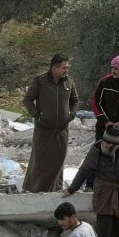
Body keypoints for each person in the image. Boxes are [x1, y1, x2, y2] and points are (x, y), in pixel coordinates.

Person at [22, 55, 79, 193]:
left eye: (67, 67)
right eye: (64, 67)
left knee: (58, 161)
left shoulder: (69, 82)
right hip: (43, 130)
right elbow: (28, 100)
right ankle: (34, 189)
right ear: (54, 68)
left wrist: (71, 115)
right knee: (40, 161)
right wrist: (37, 115)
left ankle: (55, 189)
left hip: (61, 130)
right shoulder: (40, 81)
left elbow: (75, 101)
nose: (67, 69)